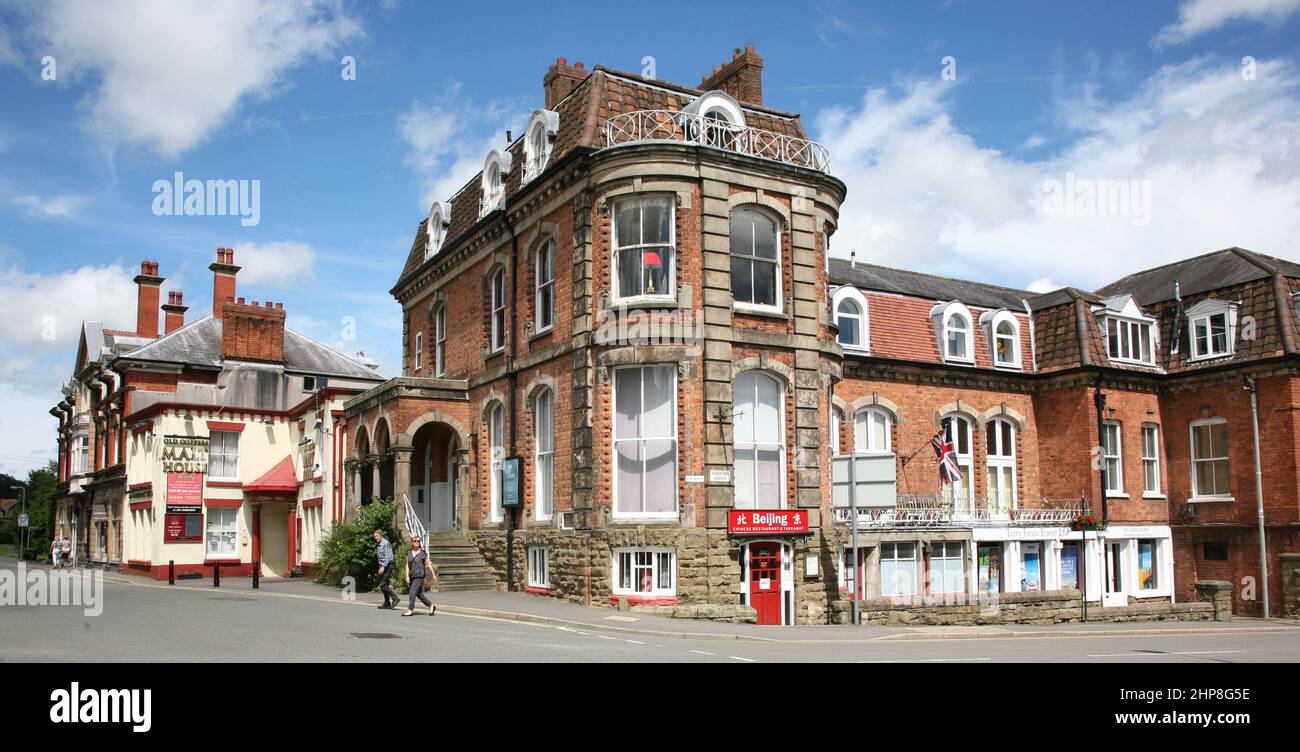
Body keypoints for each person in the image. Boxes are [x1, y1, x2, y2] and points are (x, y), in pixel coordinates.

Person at [403, 535, 437, 616]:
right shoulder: (409, 552)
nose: (416, 542)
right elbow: (407, 564)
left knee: (412, 592)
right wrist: (407, 576)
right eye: (414, 541)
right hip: (412, 575)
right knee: (419, 594)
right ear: (412, 542)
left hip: (419, 575)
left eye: (418, 541)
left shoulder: (422, 553)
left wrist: (433, 574)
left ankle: (410, 610)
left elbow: (428, 564)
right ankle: (431, 605)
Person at [373, 529, 397, 609]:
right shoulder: (380, 544)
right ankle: (387, 602)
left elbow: (387, 557)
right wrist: (380, 566)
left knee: (382, 584)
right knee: (384, 584)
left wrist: (383, 567)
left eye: (377, 536)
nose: (375, 538)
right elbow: (381, 557)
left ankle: (395, 598)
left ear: (381, 535)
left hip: (388, 565)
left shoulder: (385, 543)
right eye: (375, 536)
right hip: (384, 565)